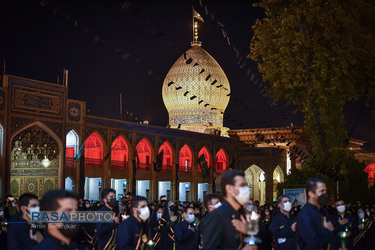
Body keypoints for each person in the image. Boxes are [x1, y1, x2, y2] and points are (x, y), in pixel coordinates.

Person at [203, 169, 256, 250]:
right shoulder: (217, 216)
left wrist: (248, 233)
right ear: (229, 189)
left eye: (246, 185)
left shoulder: (239, 214)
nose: (246, 189)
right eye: (242, 185)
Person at [296, 177, 335, 249]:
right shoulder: (304, 215)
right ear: (311, 194)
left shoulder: (323, 211)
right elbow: (314, 243)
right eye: (322, 191)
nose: (325, 194)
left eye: (325, 191)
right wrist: (327, 230)